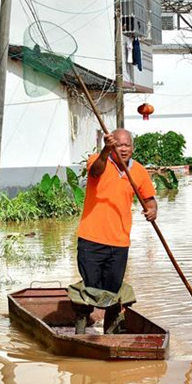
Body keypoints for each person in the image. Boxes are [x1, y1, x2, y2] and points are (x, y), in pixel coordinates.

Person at [69, 129, 157, 334]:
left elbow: (149, 199)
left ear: (132, 148)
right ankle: (81, 329)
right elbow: (95, 171)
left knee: (113, 290)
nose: (123, 149)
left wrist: (152, 210)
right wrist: (105, 151)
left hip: (119, 242)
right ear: (111, 146)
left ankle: (111, 333)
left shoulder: (139, 171)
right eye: (119, 145)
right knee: (90, 287)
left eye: (127, 145)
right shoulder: (98, 161)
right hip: (91, 239)